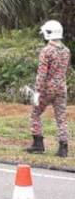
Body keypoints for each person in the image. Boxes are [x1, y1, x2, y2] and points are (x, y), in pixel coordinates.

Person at [26, 20, 70, 157]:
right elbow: (64, 70)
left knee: (35, 114)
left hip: (47, 89)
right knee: (61, 118)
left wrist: (37, 93)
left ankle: (38, 144)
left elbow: (42, 74)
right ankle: (63, 147)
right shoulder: (66, 51)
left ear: (48, 33)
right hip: (62, 88)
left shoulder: (46, 51)